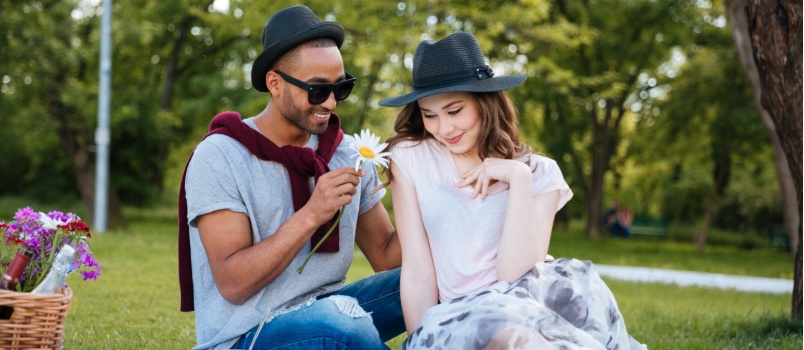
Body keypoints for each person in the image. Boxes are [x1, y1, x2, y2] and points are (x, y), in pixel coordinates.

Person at [378, 32, 645, 349]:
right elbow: (418, 269)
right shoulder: (410, 157)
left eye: (454, 111)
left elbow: (514, 274)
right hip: (459, 318)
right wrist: (421, 338)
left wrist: (518, 179)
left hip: (530, 305)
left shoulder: (540, 173)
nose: (443, 129)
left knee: (519, 336)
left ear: (485, 102)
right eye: (429, 115)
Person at [177, 6, 404, 349]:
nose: (330, 103)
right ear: (275, 83)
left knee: (441, 277)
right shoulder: (222, 155)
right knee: (344, 324)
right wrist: (313, 214)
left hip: (326, 309)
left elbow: (386, 256)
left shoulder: (349, 154)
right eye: (317, 90)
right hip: (247, 334)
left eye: (341, 88)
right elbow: (233, 284)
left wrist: (424, 192)